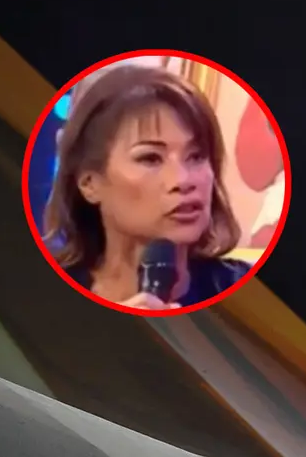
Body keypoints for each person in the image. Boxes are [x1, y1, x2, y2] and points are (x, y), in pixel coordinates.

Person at [42, 64, 250, 310]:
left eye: (196, 156)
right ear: (90, 184)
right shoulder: (44, 292)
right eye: (150, 158)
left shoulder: (246, 295)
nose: (183, 181)